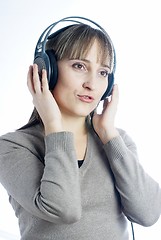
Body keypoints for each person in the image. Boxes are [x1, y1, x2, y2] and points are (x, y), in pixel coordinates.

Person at [0, 16, 161, 240]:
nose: (92, 84)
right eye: (79, 66)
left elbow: (149, 213)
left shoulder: (117, 141)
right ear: (45, 71)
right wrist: (54, 126)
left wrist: (109, 136)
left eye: (103, 72)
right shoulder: (12, 147)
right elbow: (63, 208)